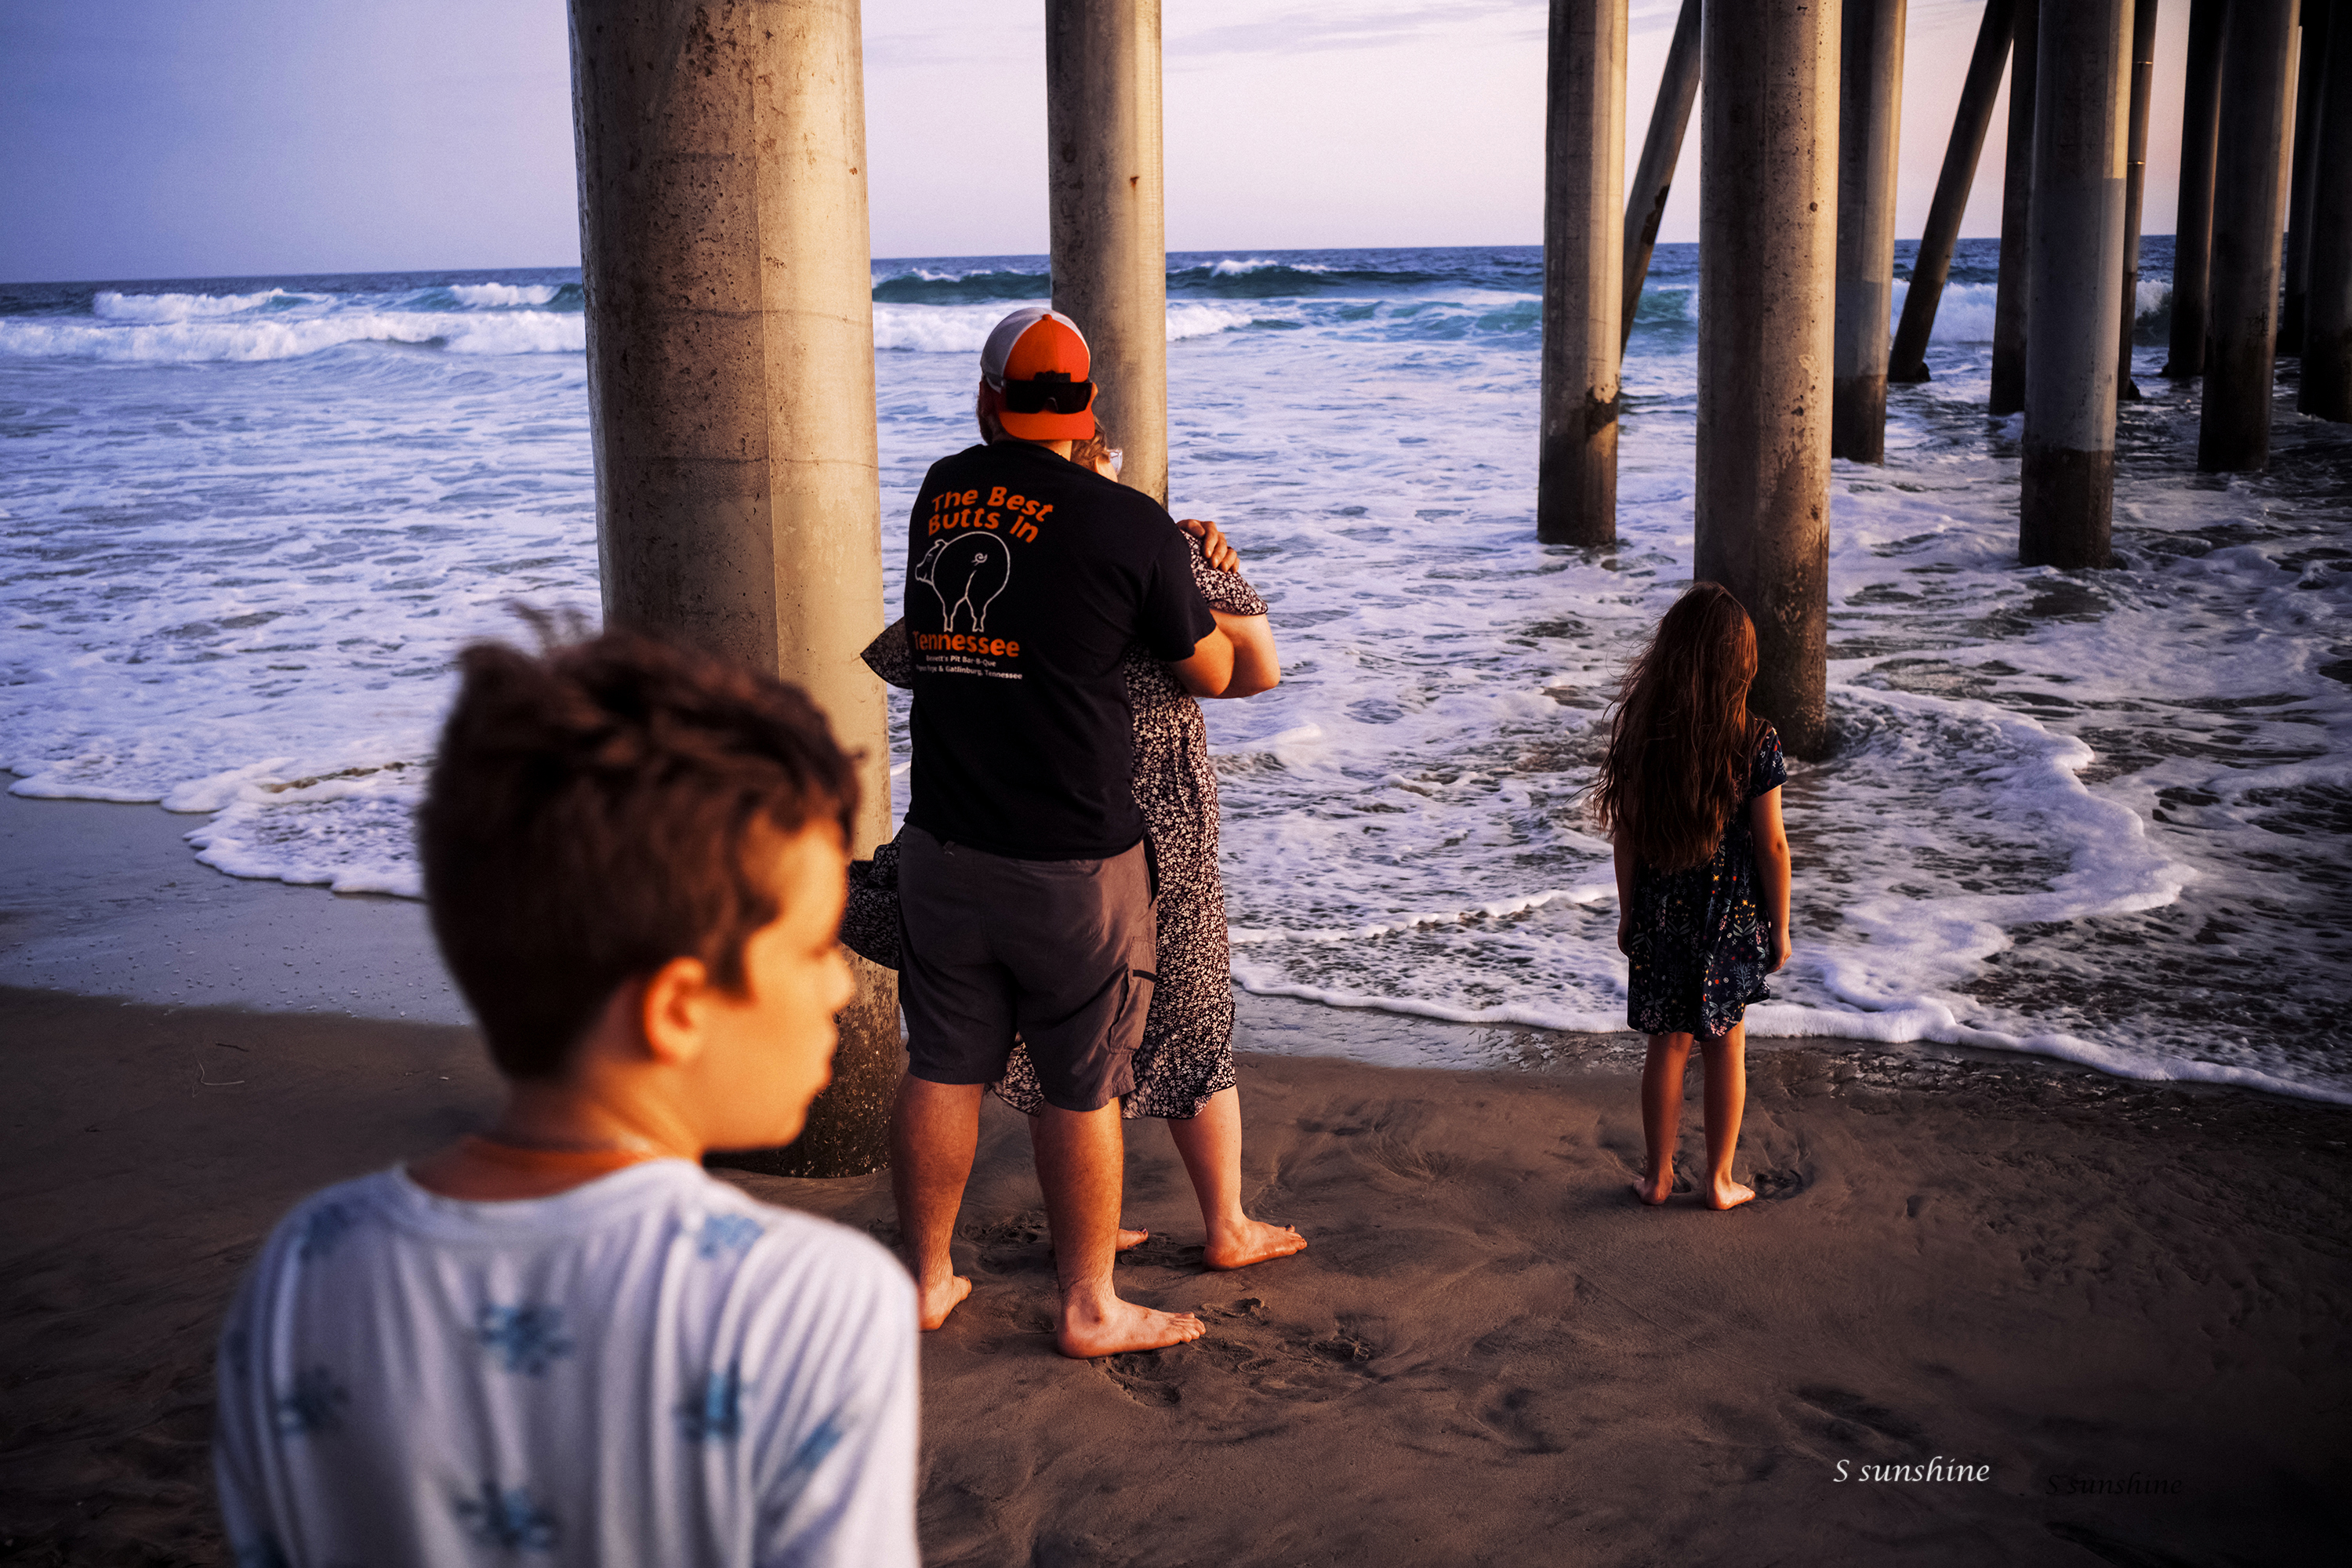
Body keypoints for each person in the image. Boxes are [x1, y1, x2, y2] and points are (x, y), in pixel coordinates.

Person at [212, 628, 920, 1567]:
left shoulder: (304, 1266)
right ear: (676, 1008)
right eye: (810, 947)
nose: (837, 985)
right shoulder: (810, 1300)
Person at [847, 424, 1305, 1276]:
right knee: (1187, 1022)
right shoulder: (1163, 551)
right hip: (1145, 822)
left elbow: (903, 657)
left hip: (1012, 813)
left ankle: (1074, 1232)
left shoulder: (1012, 556)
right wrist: (1208, 575)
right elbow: (1256, 671)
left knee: (1056, 1044)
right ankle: (1224, 1225)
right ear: (1096, 459)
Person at [885, 306, 1250, 1358]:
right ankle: (1090, 1303)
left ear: (988, 400)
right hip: (1074, 858)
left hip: (943, 838)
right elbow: (1216, 671)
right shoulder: (1126, 522)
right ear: (1090, 412)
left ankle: (927, 1279)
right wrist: (1199, 567)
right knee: (1083, 1080)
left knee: (942, 1064)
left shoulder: (942, 493)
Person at [1590, 583, 1792, 1211]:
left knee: (1668, 1045)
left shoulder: (1646, 734)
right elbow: (1773, 846)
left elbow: (1626, 833)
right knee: (1727, 1043)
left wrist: (1628, 911)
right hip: (1730, 919)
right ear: (1742, 665)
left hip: (1662, 913)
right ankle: (1719, 1181)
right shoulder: (1756, 740)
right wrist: (1781, 927)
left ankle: (1657, 1177)